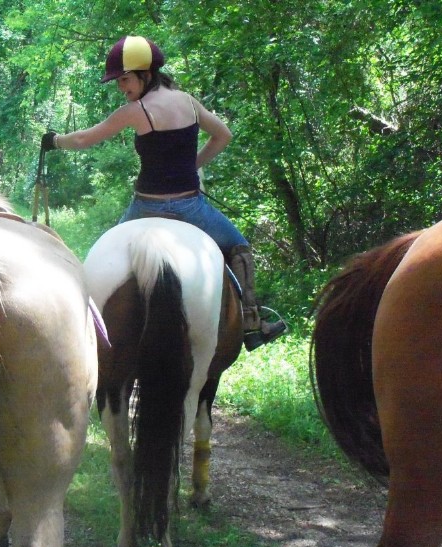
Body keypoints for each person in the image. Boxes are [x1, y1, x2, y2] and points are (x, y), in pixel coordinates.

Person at [41, 35, 286, 351]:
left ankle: (83, 325)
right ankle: (252, 323)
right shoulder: (188, 102)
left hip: (145, 209)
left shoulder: (135, 110)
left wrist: (54, 140)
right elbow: (223, 135)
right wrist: (192, 165)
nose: (121, 87)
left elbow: (83, 140)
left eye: (125, 79)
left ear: (145, 73)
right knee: (239, 247)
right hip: (191, 208)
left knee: (103, 255)